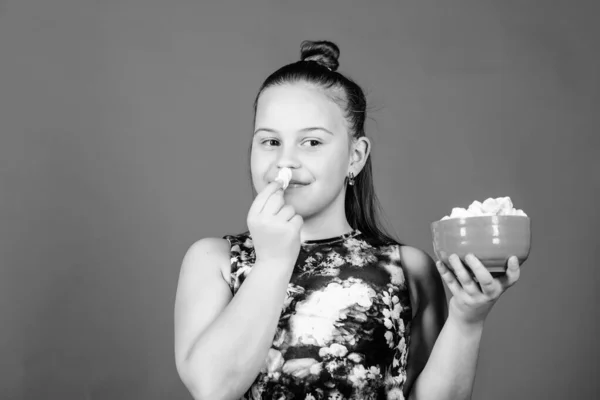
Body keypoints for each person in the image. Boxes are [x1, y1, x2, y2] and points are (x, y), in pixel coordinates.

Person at [174, 40, 522, 400]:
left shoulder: (408, 269)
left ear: (355, 156)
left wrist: (468, 319)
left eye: (311, 142)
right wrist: (274, 260)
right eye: (270, 141)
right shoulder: (213, 261)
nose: (285, 162)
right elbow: (213, 388)